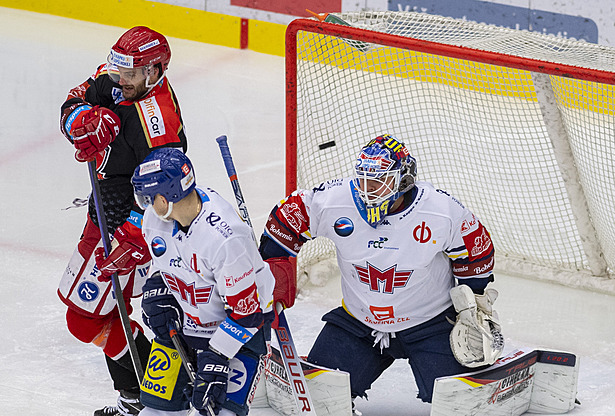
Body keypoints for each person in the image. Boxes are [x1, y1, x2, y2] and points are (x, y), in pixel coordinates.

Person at [258, 134, 504, 412]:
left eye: (379, 181)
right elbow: (287, 217)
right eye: (363, 179)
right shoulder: (335, 200)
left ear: (404, 180)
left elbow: (477, 252)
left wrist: (475, 303)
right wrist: (275, 270)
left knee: (462, 404)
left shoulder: (441, 211)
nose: (367, 189)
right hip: (359, 324)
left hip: (432, 326)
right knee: (319, 398)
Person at [57, 26, 187, 416]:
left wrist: (133, 237)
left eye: (130, 74)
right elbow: (74, 100)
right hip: (103, 213)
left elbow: (168, 191)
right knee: (103, 316)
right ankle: (143, 394)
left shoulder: (157, 120)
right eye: (119, 71)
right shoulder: (118, 76)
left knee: (83, 322)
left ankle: (152, 392)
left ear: (155, 71)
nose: (120, 80)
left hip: (132, 226)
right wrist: (82, 122)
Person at [123, 148, 275, 416]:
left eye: (148, 198)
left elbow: (246, 314)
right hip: (187, 321)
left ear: (167, 196)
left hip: (239, 333)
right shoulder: (155, 219)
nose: (143, 205)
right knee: (154, 413)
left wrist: (217, 357)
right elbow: (165, 265)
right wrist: (157, 291)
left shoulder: (225, 239)